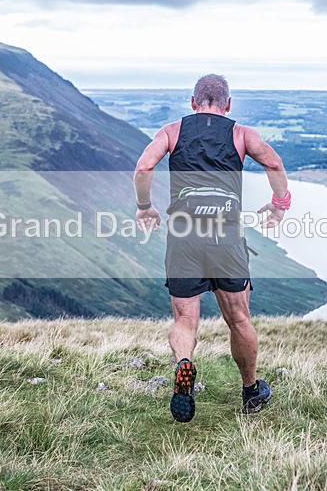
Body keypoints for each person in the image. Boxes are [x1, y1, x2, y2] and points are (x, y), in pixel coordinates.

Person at [133, 74, 292, 422]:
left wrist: (144, 207)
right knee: (238, 317)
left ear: (193, 102)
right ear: (228, 104)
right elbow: (274, 164)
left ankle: (184, 365)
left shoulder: (172, 131)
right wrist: (280, 204)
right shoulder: (242, 134)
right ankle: (251, 392)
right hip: (226, 235)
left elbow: (144, 166)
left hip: (184, 235)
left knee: (185, 318)